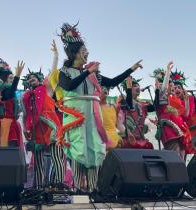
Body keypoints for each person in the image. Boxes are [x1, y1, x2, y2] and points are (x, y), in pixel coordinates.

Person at [58, 22, 142, 192]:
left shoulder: (92, 74)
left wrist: (131, 69)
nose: (87, 53)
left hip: (93, 118)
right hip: (76, 117)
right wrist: (87, 73)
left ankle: (93, 189)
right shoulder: (65, 72)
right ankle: (77, 189)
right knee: (78, 149)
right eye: (83, 51)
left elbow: (113, 81)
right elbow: (69, 86)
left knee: (95, 150)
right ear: (75, 53)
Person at [22, 69, 65, 188]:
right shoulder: (26, 97)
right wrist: (25, 128)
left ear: (39, 79)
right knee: (38, 163)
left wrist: (56, 55)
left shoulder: (47, 89)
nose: (31, 79)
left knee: (57, 157)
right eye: (29, 78)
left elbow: (53, 70)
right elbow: (25, 114)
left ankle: (59, 186)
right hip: (37, 129)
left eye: (33, 77)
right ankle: (39, 188)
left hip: (52, 127)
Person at [155, 61, 191, 159]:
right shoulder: (162, 98)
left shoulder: (174, 101)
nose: (172, 87)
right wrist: (168, 71)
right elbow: (163, 88)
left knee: (182, 159)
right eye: (170, 85)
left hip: (180, 132)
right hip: (170, 133)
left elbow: (185, 115)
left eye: (173, 86)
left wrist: (187, 101)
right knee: (175, 159)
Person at [0, 58, 24, 147]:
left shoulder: (7, 90)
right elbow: (9, 93)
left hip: (11, 123)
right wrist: (17, 76)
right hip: (5, 124)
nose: (12, 80)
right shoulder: (3, 90)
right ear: (4, 79)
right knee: (7, 150)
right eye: (10, 78)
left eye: (13, 78)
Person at [119, 77, 154, 149]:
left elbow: (156, 106)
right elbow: (129, 104)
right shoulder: (124, 101)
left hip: (141, 139)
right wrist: (129, 87)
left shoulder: (143, 105)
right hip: (128, 139)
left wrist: (158, 89)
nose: (138, 87)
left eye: (138, 86)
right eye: (134, 86)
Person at [100, 86, 123, 151]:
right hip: (103, 141)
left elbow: (118, 125)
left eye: (106, 88)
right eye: (102, 88)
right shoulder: (94, 107)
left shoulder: (113, 106)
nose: (105, 89)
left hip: (115, 139)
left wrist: (127, 133)